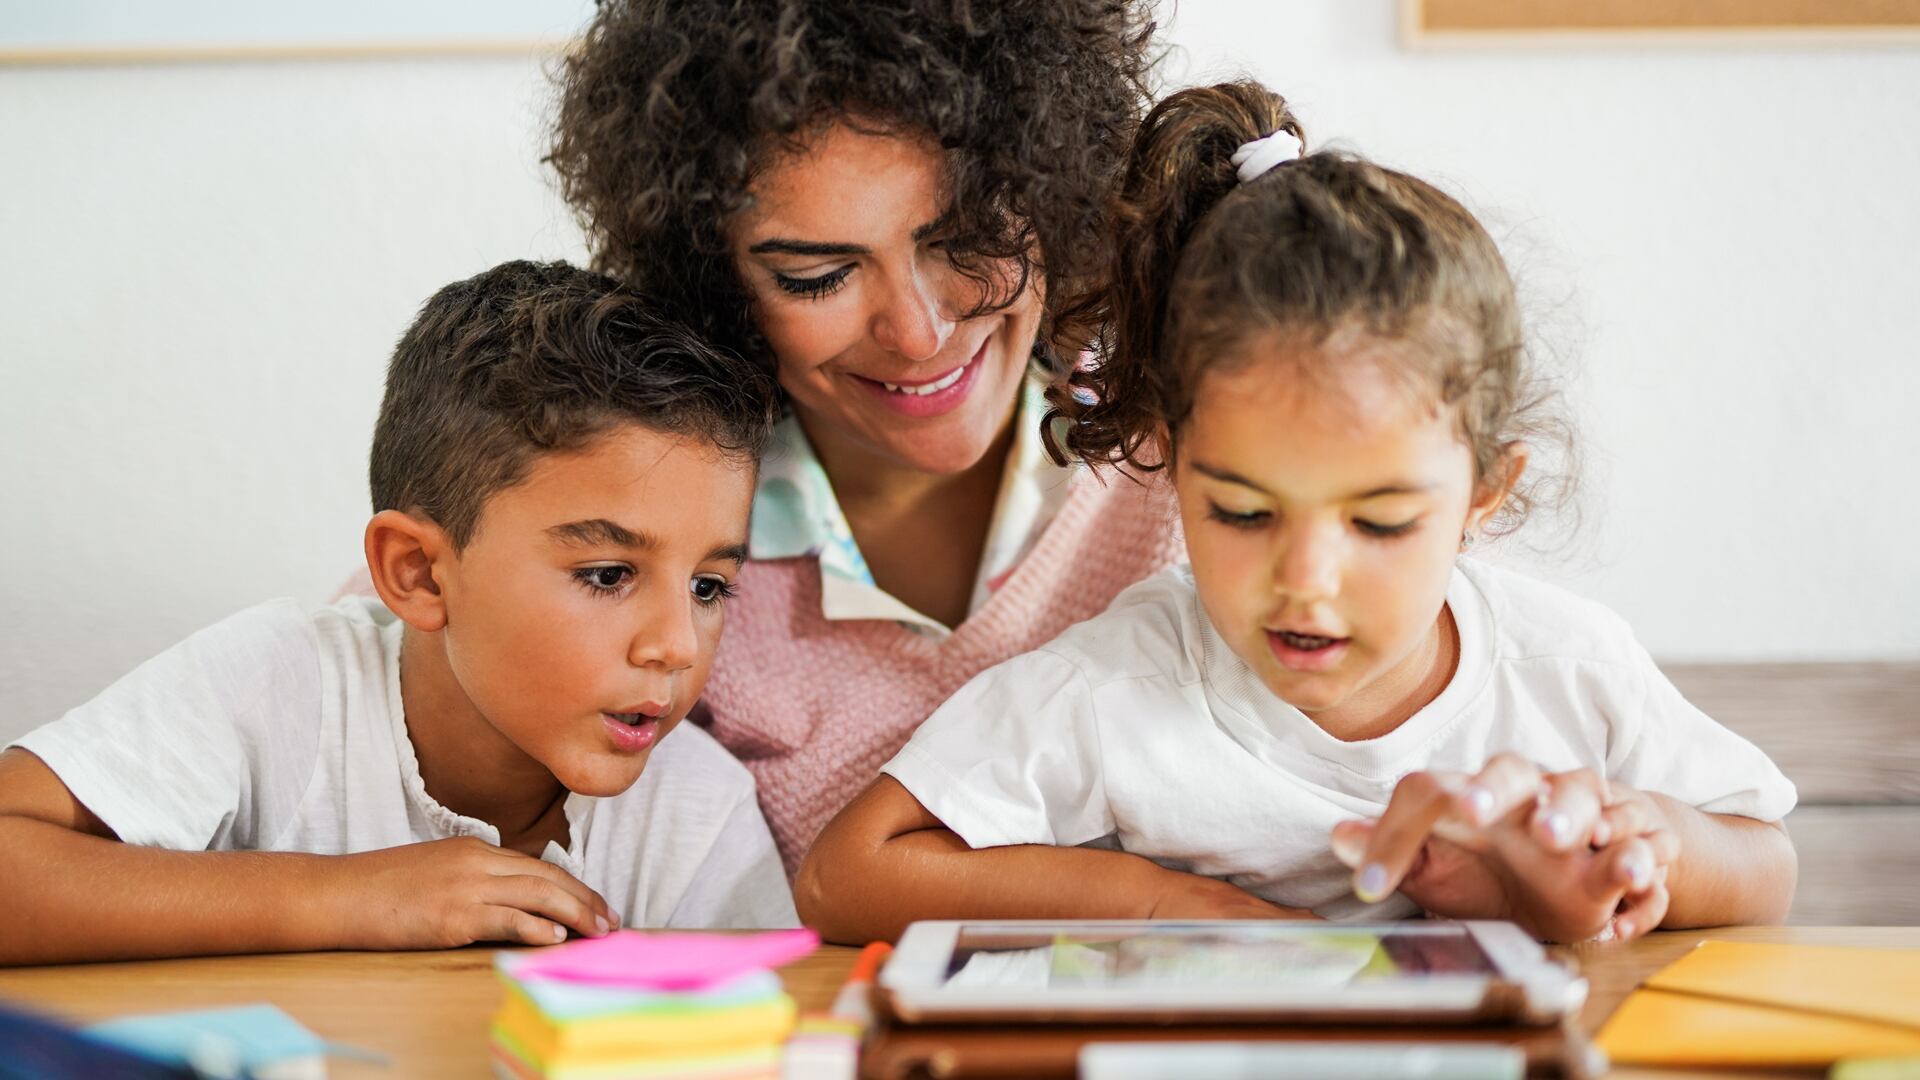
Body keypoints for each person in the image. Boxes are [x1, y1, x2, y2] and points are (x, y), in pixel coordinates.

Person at [798, 83, 1799, 944]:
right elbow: (847, 875)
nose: (1306, 578)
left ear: (1484, 496)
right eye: (1240, 511)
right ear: (1176, 470)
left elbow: (1766, 864)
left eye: (1379, 523)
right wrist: (1159, 905)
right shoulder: (1123, 686)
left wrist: (1644, 850)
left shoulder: (1567, 674)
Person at [0, 261, 795, 966]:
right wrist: (343, 897)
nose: (675, 645)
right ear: (418, 573)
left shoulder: (697, 809)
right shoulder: (281, 682)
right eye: (608, 574)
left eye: (708, 587)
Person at [549, 0, 1185, 873]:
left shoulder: (1202, 458)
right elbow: (397, 671)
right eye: (819, 277)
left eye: (968, 238)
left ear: (1053, 193)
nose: (918, 334)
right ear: (714, 279)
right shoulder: (645, 520)